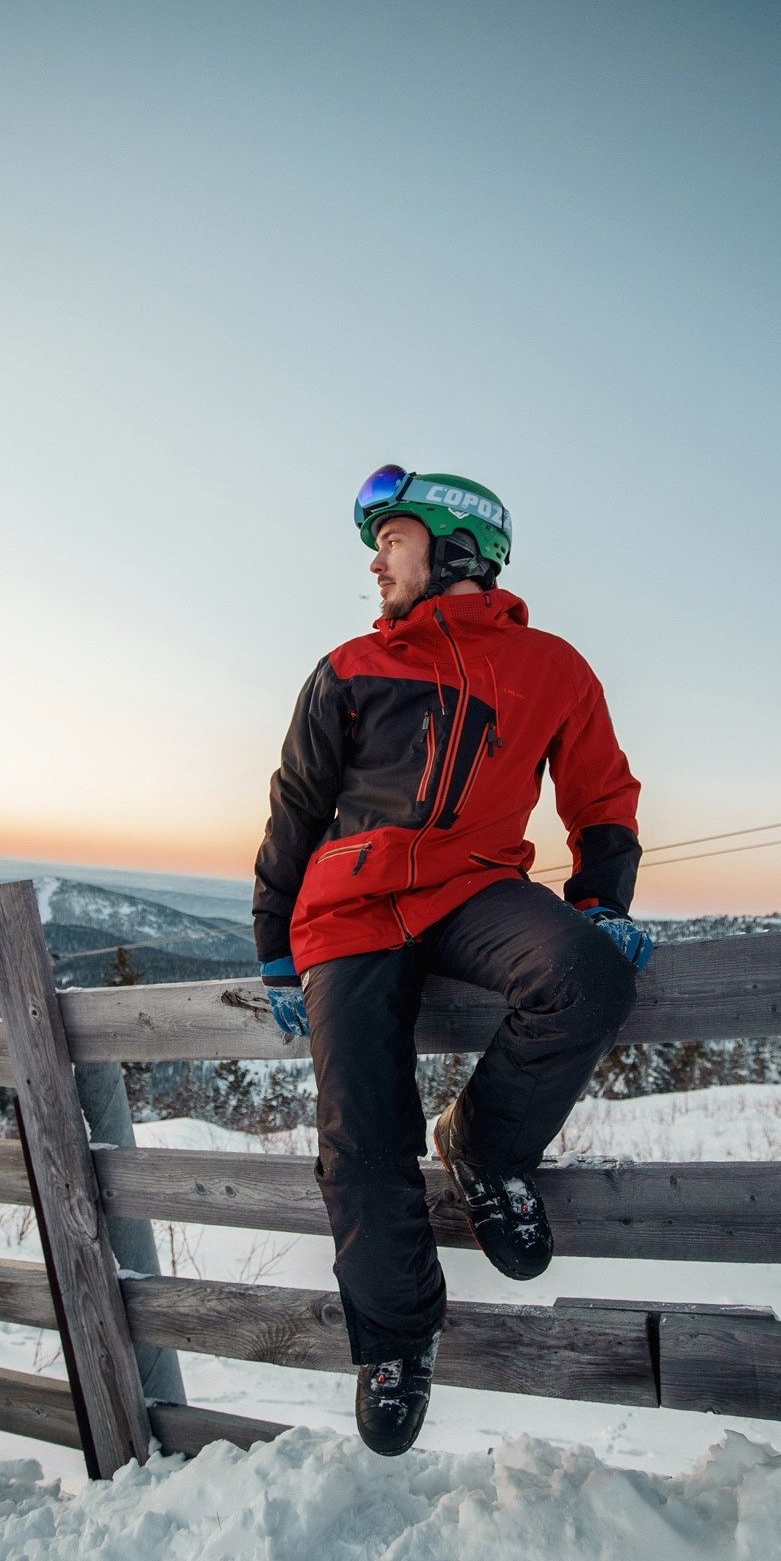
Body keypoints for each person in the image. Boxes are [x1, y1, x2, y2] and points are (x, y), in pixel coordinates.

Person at [253, 465, 649, 1455]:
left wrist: (600, 904)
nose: (375, 560)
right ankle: (395, 1341)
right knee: (362, 1136)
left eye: (392, 537)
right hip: (350, 908)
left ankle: (485, 1147)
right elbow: (296, 808)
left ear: (457, 546)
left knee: (586, 973)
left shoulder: (553, 667)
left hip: (475, 889)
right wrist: (272, 946)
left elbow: (601, 796)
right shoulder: (349, 666)